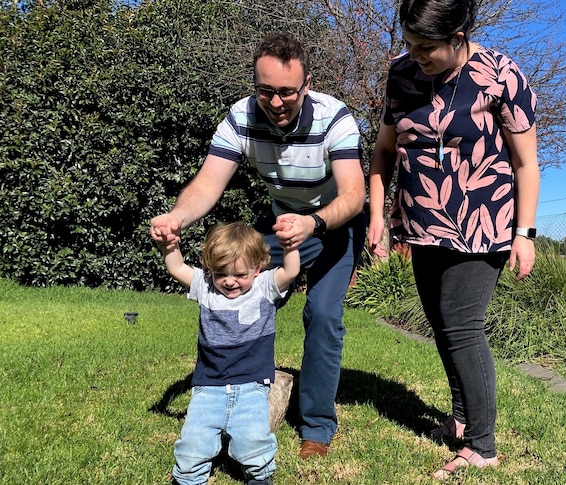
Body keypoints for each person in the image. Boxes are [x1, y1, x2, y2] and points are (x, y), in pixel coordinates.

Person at [150, 32, 366, 459]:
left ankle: (316, 428)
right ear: (255, 84)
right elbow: (209, 182)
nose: (277, 101)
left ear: (306, 85)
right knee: (233, 300)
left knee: (322, 314)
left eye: (288, 91)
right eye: (266, 90)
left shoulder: (334, 118)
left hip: (334, 223)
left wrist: (314, 222)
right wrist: (177, 217)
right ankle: (226, 395)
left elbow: (354, 194)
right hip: (282, 220)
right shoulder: (240, 117)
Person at [367, 0, 540, 479]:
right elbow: (383, 152)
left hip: (482, 225)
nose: (415, 55)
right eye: (408, 43)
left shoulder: (501, 75)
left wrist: (524, 234)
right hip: (422, 223)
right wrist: (378, 215)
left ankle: (482, 445)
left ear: (460, 35)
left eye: (427, 47)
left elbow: (526, 163)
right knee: (441, 325)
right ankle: (461, 420)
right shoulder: (401, 75)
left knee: (463, 327)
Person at [156, 222, 300, 485]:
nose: (230, 281)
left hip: (252, 384)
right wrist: (169, 247)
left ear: (257, 268)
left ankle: (259, 476)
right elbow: (177, 268)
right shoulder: (206, 287)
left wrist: (290, 247)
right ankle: (188, 478)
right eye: (221, 273)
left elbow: (291, 270)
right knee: (194, 440)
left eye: (239, 274)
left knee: (253, 438)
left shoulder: (264, 287)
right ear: (210, 270)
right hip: (208, 385)